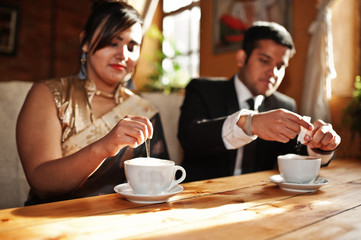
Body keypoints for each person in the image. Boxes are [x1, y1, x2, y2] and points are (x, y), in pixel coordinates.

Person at [16, 0, 169, 205]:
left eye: (132, 47)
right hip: (51, 221)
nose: (123, 55)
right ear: (85, 42)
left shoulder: (144, 110)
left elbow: (159, 184)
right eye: (113, 42)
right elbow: (42, 184)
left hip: (118, 220)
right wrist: (105, 145)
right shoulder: (48, 95)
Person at [178, 21, 341, 182]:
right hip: (199, 195)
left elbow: (294, 157)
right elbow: (189, 136)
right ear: (242, 58)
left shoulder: (285, 105)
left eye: (280, 66)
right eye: (264, 60)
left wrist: (319, 146)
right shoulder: (202, 89)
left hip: (257, 200)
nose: (273, 72)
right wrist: (249, 124)